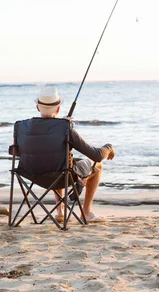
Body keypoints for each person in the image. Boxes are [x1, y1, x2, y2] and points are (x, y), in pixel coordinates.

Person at [34, 86, 114, 222]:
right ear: (58, 109)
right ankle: (86, 213)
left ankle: (60, 211)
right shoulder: (65, 129)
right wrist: (108, 147)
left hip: (34, 174)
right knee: (97, 165)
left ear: (37, 107)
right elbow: (96, 156)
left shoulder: (24, 128)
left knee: (55, 164)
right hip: (62, 175)